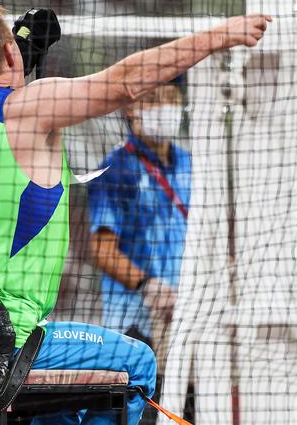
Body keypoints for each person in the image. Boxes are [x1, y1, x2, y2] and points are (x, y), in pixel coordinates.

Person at [0, 0, 270, 425]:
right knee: (137, 362)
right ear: (9, 52)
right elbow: (125, 82)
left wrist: (14, 67)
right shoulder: (29, 110)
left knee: (60, 409)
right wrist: (222, 34)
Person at [88, 79, 189, 378]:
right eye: (155, 98)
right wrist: (149, 287)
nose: (166, 107)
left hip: (187, 320)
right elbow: (102, 250)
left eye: (172, 98)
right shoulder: (114, 169)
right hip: (133, 324)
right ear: (132, 108)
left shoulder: (191, 164)